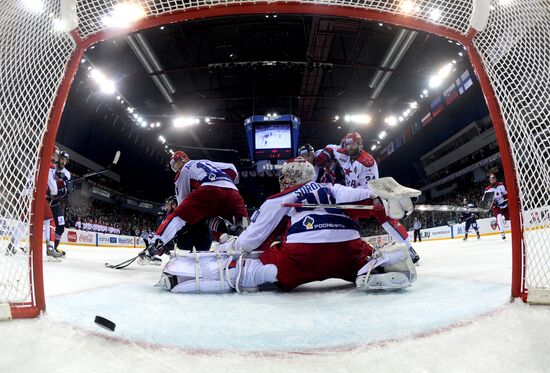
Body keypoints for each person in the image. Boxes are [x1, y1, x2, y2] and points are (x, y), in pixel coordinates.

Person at [157, 157, 417, 293]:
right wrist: (387, 197)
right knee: (362, 252)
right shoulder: (334, 188)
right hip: (348, 252)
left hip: (302, 257)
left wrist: (232, 243)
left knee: (252, 265)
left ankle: (183, 277)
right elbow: (369, 197)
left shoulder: (280, 198)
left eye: (284, 175)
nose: (282, 179)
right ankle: (376, 266)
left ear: (292, 177)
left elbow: (251, 241)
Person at [315, 132, 420, 263]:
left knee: (385, 217)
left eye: (352, 144)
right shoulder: (342, 152)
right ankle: (348, 250)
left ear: (360, 145)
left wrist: (366, 197)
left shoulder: (367, 162)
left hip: (366, 193)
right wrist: (326, 153)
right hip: (351, 194)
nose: (349, 147)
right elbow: (331, 147)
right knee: (342, 217)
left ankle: (409, 249)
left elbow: (369, 189)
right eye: (347, 144)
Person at [145, 151, 248, 260]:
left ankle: (156, 243)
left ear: (183, 160)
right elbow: (231, 168)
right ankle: (236, 234)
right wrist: (223, 180)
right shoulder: (205, 161)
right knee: (243, 226)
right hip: (233, 190)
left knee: (179, 217)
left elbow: (182, 206)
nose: (176, 168)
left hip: (209, 189)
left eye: (176, 164)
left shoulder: (182, 171)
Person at [50, 149, 71, 256]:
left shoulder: (67, 174)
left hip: (56, 203)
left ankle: (54, 248)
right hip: (46, 200)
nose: (63, 161)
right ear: (58, 159)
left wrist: (62, 184)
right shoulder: (52, 167)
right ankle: (27, 245)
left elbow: (64, 191)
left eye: (65, 160)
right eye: (62, 159)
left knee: (61, 226)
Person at [484, 173, 508, 240]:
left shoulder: (501, 185)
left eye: (494, 178)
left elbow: (505, 194)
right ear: (489, 180)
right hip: (496, 206)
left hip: (503, 204)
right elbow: (485, 200)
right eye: (491, 179)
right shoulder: (487, 189)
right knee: (499, 217)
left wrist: (506, 200)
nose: (493, 180)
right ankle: (502, 232)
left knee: (510, 216)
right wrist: (492, 202)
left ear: (495, 179)